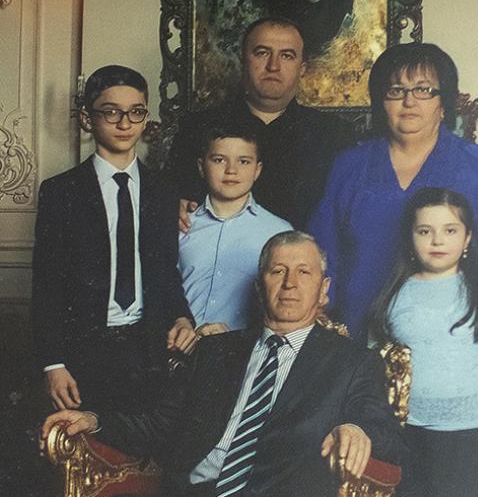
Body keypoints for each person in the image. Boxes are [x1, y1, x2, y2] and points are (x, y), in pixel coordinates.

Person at [40, 231, 404, 497]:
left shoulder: (351, 361)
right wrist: (94, 420)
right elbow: (160, 423)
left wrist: (356, 428)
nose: (290, 284)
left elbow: (385, 431)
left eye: (304, 272)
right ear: (259, 287)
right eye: (278, 271)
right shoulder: (215, 351)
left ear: (324, 290)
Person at [308, 42, 478, 340]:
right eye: (396, 91)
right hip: (358, 333)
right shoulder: (350, 166)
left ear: (444, 103)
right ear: (381, 102)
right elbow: (321, 252)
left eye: (423, 90)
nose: (409, 101)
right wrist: (318, 300)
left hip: (449, 336)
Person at [32, 65, 197, 414]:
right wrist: (53, 363)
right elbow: (47, 284)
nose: (125, 123)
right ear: (87, 119)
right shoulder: (61, 192)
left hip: (148, 350)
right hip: (83, 353)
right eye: (111, 112)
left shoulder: (163, 192)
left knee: (144, 441)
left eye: (136, 112)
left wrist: (182, 317)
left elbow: (166, 271)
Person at [369, 187, 478, 497]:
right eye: (425, 231)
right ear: (411, 238)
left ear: (467, 239)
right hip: (412, 435)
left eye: (450, 230)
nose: (437, 240)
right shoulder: (394, 297)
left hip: (475, 435)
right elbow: (375, 363)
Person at [165, 16, 356, 231]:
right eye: (262, 53)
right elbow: (171, 198)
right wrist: (172, 206)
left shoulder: (335, 134)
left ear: (302, 68)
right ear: (243, 61)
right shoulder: (197, 128)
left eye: (287, 55)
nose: (273, 66)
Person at [178, 119, 292, 335]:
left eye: (244, 161)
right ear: (201, 166)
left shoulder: (279, 232)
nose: (231, 170)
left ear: (257, 170)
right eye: (219, 160)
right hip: (181, 345)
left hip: (243, 348)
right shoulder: (182, 224)